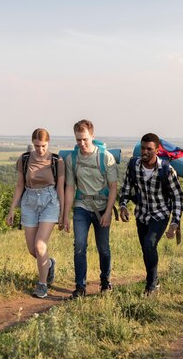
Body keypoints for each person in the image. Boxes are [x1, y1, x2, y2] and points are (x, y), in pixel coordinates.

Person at [119, 133, 183, 296]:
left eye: (149, 149)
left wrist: (174, 222)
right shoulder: (134, 165)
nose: (145, 152)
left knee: (149, 244)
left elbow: (177, 196)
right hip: (141, 215)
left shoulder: (166, 170)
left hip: (160, 214)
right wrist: (123, 205)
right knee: (146, 249)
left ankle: (151, 285)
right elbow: (126, 187)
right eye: (143, 148)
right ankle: (153, 280)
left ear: (156, 150)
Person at [6, 128, 65, 299]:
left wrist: (62, 213)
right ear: (33, 143)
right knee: (33, 250)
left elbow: (60, 187)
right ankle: (50, 264)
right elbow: (19, 186)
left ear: (49, 143)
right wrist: (12, 209)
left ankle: (42, 284)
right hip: (29, 202)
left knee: (40, 246)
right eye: (37, 146)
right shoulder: (24, 159)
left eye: (44, 146)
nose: (40, 149)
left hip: (49, 201)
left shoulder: (57, 161)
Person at [62, 119, 118, 298]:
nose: (81, 143)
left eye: (85, 139)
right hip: (81, 207)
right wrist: (65, 215)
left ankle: (105, 281)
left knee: (103, 248)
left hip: (102, 207)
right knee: (79, 245)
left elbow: (113, 187)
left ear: (92, 136)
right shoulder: (72, 158)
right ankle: (80, 287)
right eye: (78, 140)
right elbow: (70, 188)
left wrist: (108, 212)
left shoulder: (105, 157)